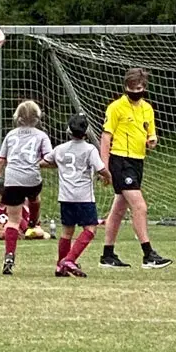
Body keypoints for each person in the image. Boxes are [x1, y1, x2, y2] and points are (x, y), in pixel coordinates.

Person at [98, 68, 173, 269]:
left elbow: (150, 132)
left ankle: (107, 254)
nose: (135, 92)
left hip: (138, 161)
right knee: (139, 206)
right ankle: (148, 254)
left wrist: (152, 140)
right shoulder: (115, 107)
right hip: (120, 159)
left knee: (118, 209)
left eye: (139, 88)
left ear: (144, 88)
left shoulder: (147, 108)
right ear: (125, 88)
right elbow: (106, 137)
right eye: (131, 89)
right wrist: (103, 166)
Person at [0, 100, 52, 275]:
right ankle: (34, 223)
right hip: (32, 178)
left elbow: (0, 159)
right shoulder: (41, 136)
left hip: (12, 179)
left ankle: (9, 256)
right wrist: (38, 164)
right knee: (35, 197)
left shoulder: (11, 135)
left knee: (13, 220)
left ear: (17, 118)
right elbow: (49, 158)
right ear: (37, 118)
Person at [43, 113, 112, 278]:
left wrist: (58, 165)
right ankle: (70, 259)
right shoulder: (89, 149)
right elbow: (101, 168)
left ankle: (60, 266)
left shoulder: (60, 149)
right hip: (83, 197)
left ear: (68, 130)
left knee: (67, 231)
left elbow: (44, 162)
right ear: (86, 131)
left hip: (65, 197)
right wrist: (108, 177)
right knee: (90, 229)